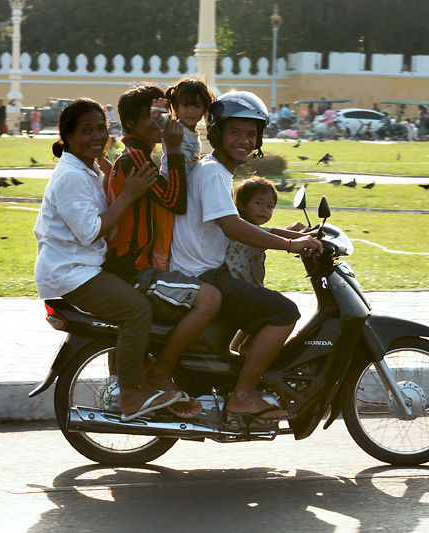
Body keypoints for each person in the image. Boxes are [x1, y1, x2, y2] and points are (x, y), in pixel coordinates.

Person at [169, 91, 323, 422]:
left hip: (206, 270)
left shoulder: (217, 171)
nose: (244, 140)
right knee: (284, 311)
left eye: (251, 133)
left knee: (264, 304)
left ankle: (244, 377)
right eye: (235, 132)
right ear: (217, 134)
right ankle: (243, 394)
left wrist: (295, 235)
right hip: (202, 275)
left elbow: (241, 223)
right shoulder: (213, 172)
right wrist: (289, 246)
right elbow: (232, 226)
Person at [33, 98, 186, 420]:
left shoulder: (84, 168)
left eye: (101, 127)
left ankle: (126, 382)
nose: (97, 136)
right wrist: (129, 194)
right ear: (68, 137)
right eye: (86, 130)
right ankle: (129, 394)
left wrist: (107, 169)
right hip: (72, 273)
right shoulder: (71, 177)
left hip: (81, 266)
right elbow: (90, 231)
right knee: (136, 310)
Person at [104, 84, 221, 418]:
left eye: (162, 114)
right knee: (209, 298)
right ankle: (160, 372)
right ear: (134, 122)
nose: (162, 123)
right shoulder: (137, 158)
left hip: (132, 264)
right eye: (155, 116)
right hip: (135, 268)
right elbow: (175, 200)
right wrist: (171, 148)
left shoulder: (133, 155)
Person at [225, 176, 310, 356]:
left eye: (270, 206)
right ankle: (249, 351)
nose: (265, 210)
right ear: (241, 205)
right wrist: (310, 235)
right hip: (239, 288)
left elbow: (271, 236)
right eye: (259, 203)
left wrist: (295, 230)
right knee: (275, 312)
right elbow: (271, 234)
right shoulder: (243, 229)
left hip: (247, 286)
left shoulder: (250, 229)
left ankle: (236, 350)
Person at [163, 76, 215, 175]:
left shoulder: (195, 135)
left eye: (197, 106)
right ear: (176, 106)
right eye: (185, 105)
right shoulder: (173, 128)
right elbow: (158, 120)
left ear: (205, 109)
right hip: (170, 183)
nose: (191, 111)